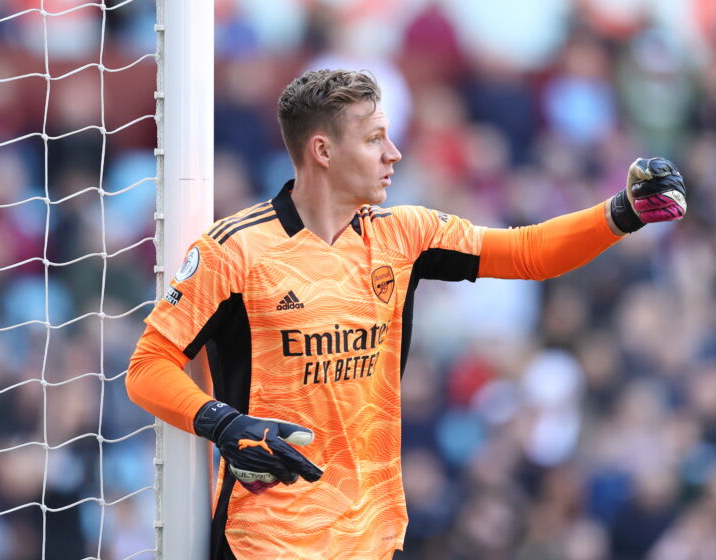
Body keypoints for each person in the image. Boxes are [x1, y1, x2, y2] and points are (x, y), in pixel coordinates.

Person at [125, 69, 687, 559]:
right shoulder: (234, 251)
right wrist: (225, 424)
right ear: (323, 151)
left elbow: (527, 253)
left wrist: (623, 212)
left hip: (373, 533)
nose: (393, 153)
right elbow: (147, 367)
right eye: (374, 139)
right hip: (270, 539)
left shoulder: (405, 236)